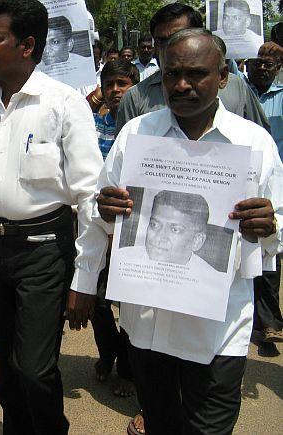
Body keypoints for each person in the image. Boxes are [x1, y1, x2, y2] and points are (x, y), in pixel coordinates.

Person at [95, 28, 282, 435]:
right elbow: (102, 210)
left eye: (195, 74)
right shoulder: (137, 134)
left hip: (218, 328)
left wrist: (269, 226)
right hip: (147, 322)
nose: (181, 84)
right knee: (160, 423)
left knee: (209, 428)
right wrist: (106, 208)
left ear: (223, 77)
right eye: (170, 74)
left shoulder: (255, 144)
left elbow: (278, 229)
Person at [0, 1, 105, 433]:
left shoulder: (63, 104)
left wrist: (84, 280)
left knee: (34, 368)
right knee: (7, 369)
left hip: (44, 250)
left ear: (28, 45)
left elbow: (89, 196)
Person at [116, 2, 270, 135]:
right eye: (161, 41)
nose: (169, 48)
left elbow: (258, 149)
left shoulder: (236, 87)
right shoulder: (135, 98)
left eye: (179, 37)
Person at [90, 58, 139, 399]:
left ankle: (129, 369)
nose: (116, 90)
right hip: (94, 226)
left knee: (132, 306)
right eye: (110, 84)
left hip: (132, 229)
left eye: (124, 83)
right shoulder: (91, 123)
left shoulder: (146, 128)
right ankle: (108, 352)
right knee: (96, 301)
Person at [245, 42, 283, 353]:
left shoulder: (281, 97)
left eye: (268, 64)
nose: (261, 67)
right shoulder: (238, 91)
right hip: (243, 178)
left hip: (274, 177)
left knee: (270, 248)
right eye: (256, 62)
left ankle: (269, 321)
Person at [94, 59, 139, 159]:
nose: (115, 89)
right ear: (102, 91)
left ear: (136, 88)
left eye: (121, 83)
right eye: (109, 85)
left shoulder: (144, 126)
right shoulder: (94, 127)